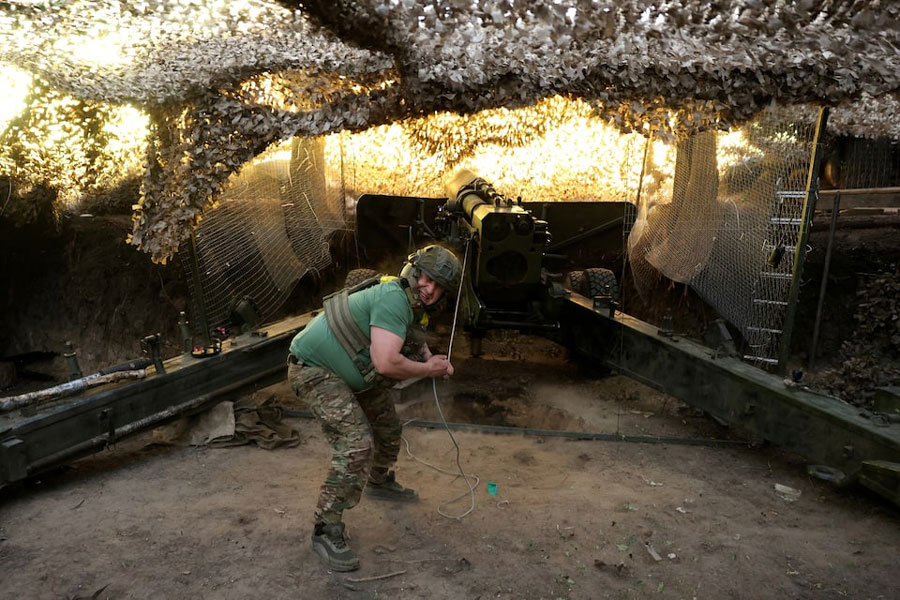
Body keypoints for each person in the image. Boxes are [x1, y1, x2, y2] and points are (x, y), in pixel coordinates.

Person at [287, 244, 462, 572]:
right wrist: (429, 370)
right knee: (355, 446)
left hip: (350, 373)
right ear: (414, 271)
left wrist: (427, 357)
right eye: (427, 278)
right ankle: (326, 528)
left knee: (387, 426)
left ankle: (378, 481)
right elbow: (385, 363)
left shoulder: (407, 303)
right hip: (313, 369)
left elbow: (408, 334)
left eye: (438, 286)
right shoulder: (393, 297)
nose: (430, 288)